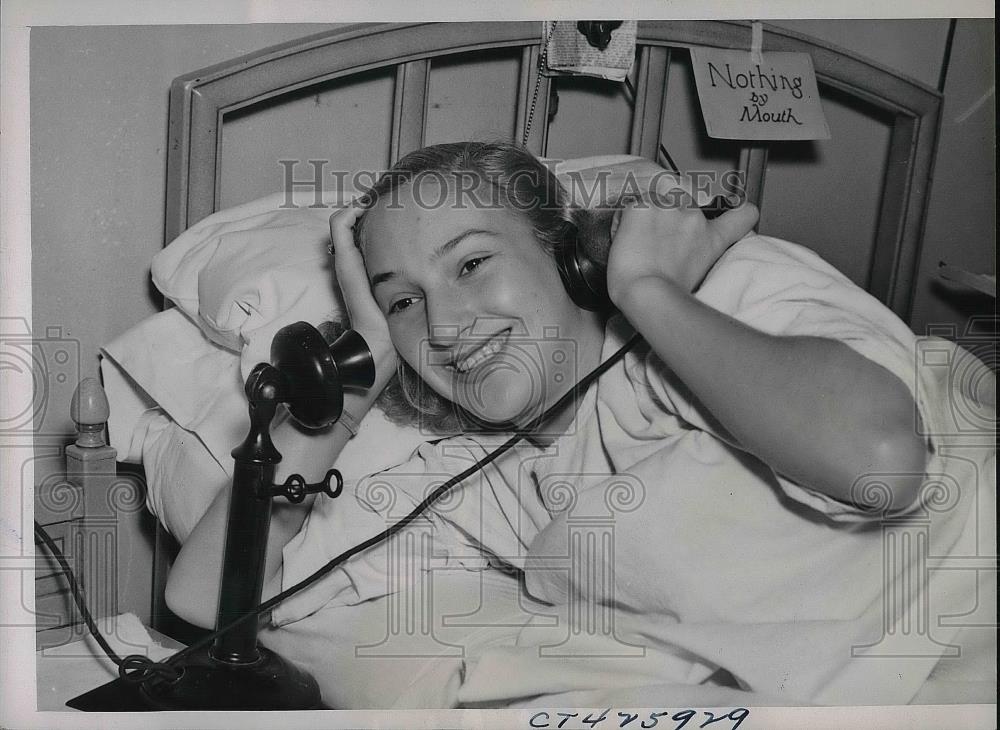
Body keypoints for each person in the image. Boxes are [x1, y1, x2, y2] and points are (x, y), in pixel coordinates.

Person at [166, 141, 992, 708]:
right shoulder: (465, 477)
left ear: (568, 255)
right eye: (404, 300)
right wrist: (351, 382)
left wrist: (650, 293)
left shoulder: (722, 292)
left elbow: (883, 459)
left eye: (472, 263)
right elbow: (210, 601)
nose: (445, 325)